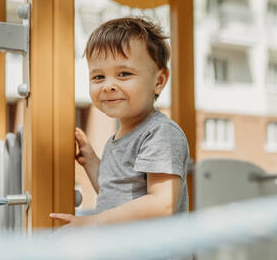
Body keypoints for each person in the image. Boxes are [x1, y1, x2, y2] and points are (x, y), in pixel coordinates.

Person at [49, 17, 190, 227]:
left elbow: (162, 204)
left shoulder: (160, 133)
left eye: (123, 74)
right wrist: (90, 161)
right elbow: (113, 194)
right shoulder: (117, 138)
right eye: (98, 77)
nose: (108, 86)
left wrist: (94, 222)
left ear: (158, 81)